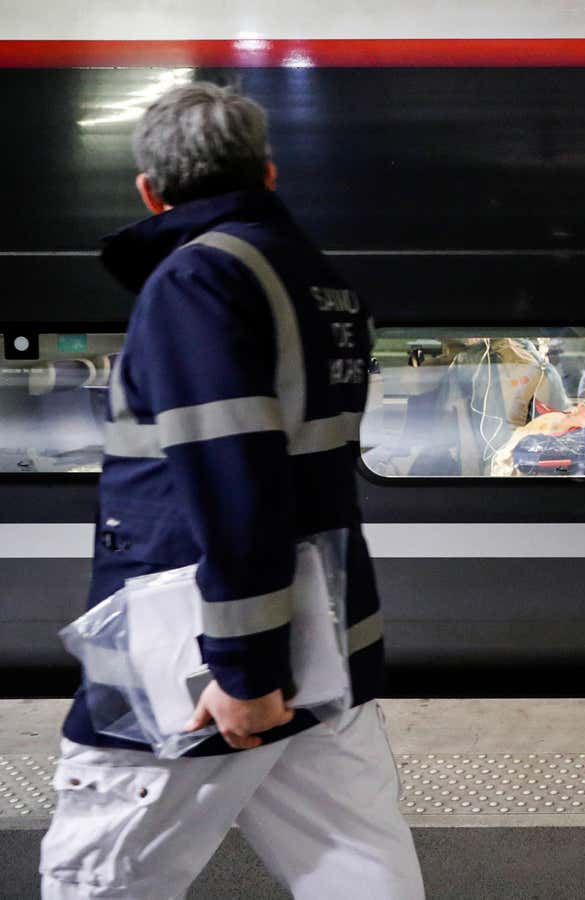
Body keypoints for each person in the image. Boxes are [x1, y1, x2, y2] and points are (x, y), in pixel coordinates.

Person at [38, 83, 425, 896]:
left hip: (200, 654)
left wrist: (246, 673)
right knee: (356, 867)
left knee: (99, 876)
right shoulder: (319, 281)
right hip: (327, 631)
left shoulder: (195, 282)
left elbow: (232, 482)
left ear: (150, 190)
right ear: (269, 174)